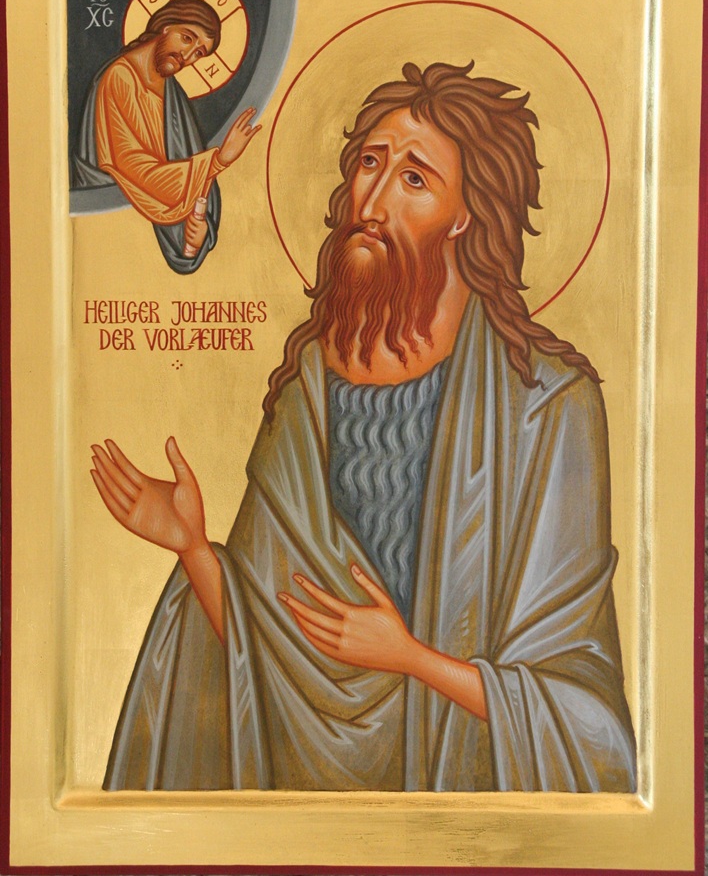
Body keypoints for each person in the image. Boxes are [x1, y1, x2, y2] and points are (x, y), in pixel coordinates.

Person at [91, 60, 637, 792]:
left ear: (466, 214)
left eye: (415, 179)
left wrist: (412, 659)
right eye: (370, 165)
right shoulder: (309, 392)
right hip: (308, 803)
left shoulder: (548, 408)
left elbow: (588, 723)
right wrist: (192, 548)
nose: (373, 203)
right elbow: (266, 654)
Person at [71, 0, 260, 273]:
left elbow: (185, 172)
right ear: (165, 27)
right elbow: (138, 172)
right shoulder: (120, 78)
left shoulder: (171, 92)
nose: (188, 56)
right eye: (187, 38)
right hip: (114, 231)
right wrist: (219, 160)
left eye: (199, 53)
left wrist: (199, 228)